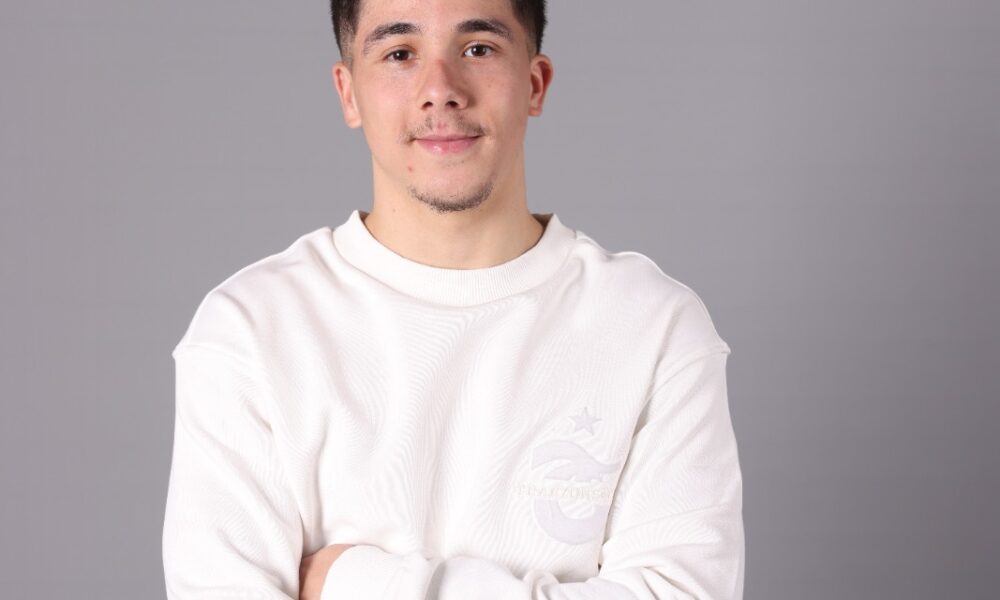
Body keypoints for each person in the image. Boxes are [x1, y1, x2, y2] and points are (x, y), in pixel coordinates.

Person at [161, 0, 745, 598]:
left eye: (478, 49)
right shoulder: (250, 333)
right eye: (399, 54)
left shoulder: (654, 329)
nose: (440, 90)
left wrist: (357, 583)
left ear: (535, 83)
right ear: (349, 94)